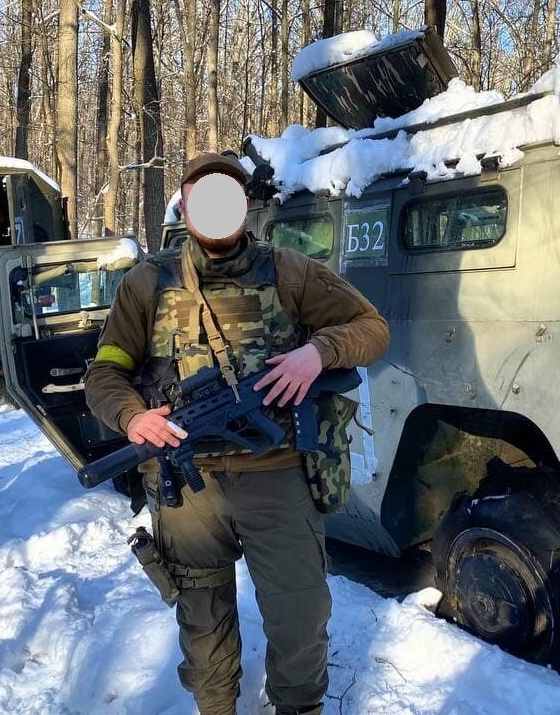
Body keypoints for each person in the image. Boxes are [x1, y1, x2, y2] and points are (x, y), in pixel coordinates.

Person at [85, 153, 389, 715]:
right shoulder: (147, 284)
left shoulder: (290, 271)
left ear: (245, 205)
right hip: (188, 485)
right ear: (185, 203)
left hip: (278, 477)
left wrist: (316, 354)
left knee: (300, 619)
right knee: (202, 621)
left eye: (228, 195)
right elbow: (104, 373)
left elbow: (372, 329)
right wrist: (133, 417)